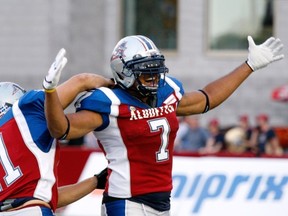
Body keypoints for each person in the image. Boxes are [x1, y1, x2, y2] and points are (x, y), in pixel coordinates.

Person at [44, 35, 284, 215]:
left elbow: (206, 99)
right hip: (126, 201)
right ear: (124, 72)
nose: (154, 79)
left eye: (156, 72)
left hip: (162, 200)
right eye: (146, 74)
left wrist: (249, 65)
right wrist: (52, 92)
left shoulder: (165, 92)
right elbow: (61, 129)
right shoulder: (109, 102)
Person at [0, 49, 113, 215]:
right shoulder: (25, 111)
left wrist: (94, 181)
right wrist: (115, 85)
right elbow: (81, 81)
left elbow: (49, 198)